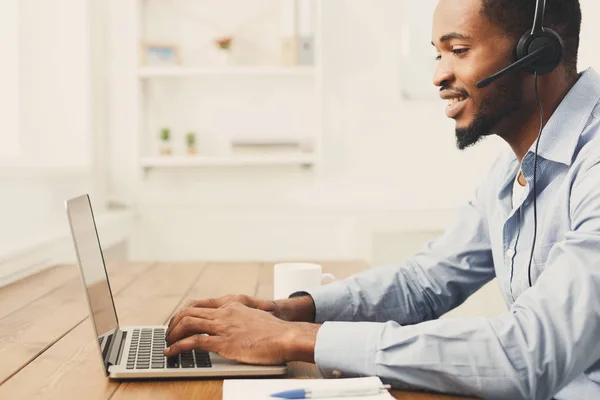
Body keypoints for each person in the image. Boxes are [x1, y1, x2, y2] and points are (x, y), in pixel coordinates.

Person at [164, 0, 600, 398]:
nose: (438, 76)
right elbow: (423, 283)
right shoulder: (515, 169)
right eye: (437, 53)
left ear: (540, 52)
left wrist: (297, 340)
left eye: (459, 50)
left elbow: (527, 355)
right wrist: (289, 311)